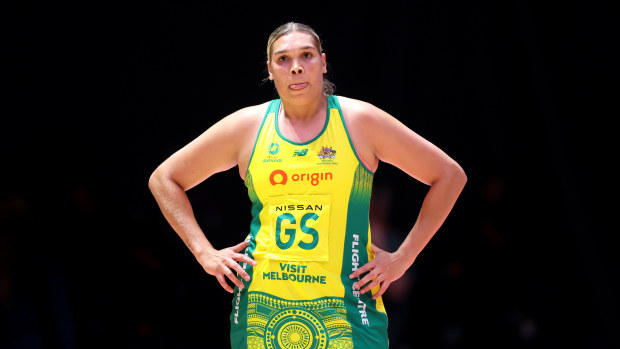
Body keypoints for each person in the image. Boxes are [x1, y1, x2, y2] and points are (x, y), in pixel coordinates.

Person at [148, 22, 466, 349]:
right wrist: (204, 253)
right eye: (283, 59)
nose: (296, 66)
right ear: (270, 70)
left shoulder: (360, 121)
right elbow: (164, 179)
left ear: (323, 62)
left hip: (347, 312)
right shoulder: (247, 126)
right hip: (263, 310)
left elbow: (449, 176)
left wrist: (404, 256)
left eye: (306, 55)